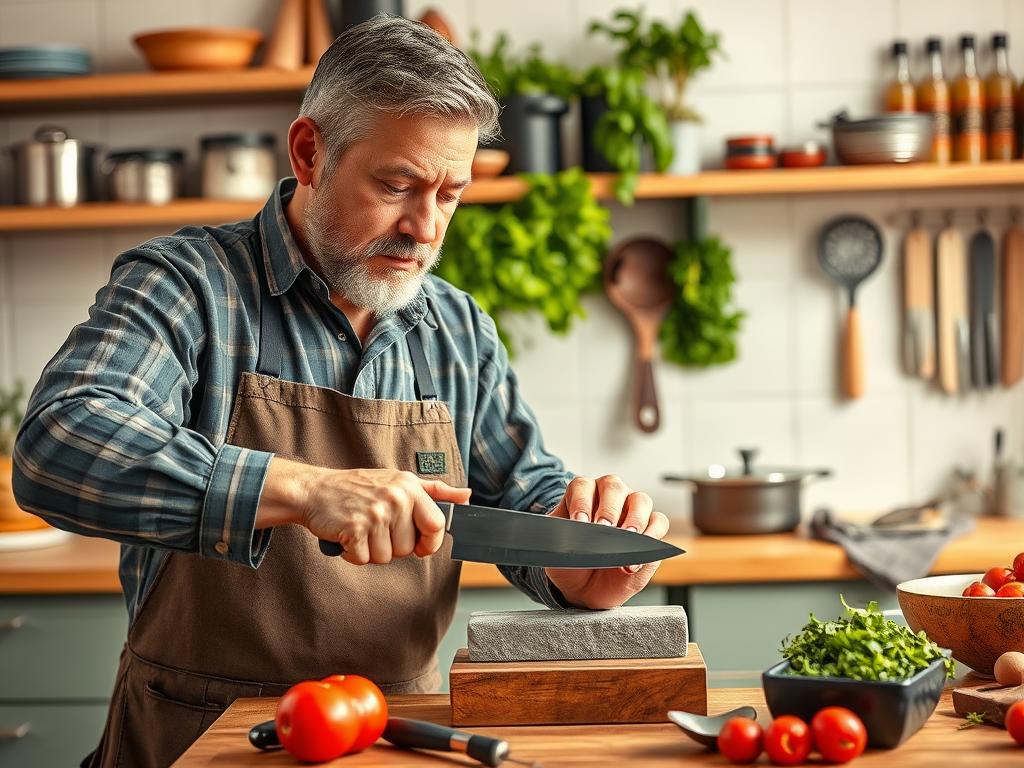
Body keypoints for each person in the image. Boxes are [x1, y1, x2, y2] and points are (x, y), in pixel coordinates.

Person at [13, 14, 670, 768]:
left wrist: (582, 556)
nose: (424, 227)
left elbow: (522, 497)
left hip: (393, 740)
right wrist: (305, 490)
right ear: (309, 152)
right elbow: (58, 442)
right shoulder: (187, 286)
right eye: (397, 184)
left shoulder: (454, 326)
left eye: (450, 194)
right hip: (193, 740)